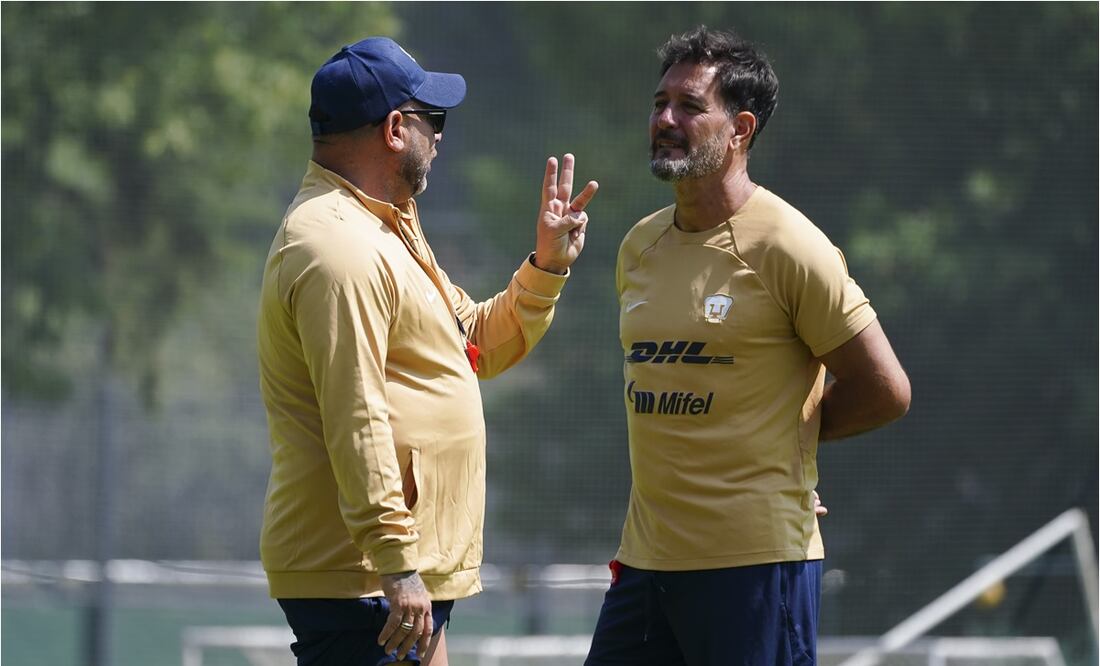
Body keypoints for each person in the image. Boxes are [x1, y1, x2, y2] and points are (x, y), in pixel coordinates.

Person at [256, 37, 598, 666]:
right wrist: (396, 561)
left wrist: (546, 266)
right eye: (431, 120)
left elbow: (472, 344)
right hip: (365, 578)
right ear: (394, 128)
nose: (439, 137)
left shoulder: (384, 226)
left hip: (387, 574)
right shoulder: (339, 247)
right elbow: (356, 415)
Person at [585, 26, 910, 666]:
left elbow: (885, 390)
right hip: (646, 566)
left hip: (756, 569)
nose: (665, 119)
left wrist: (792, 445)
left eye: (689, 106)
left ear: (740, 129)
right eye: (659, 103)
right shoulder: (637, 246)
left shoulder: (789, 245)